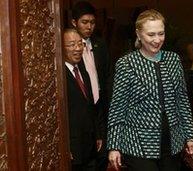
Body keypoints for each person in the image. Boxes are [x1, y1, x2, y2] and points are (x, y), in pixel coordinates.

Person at [107, 9, 193, 171]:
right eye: (151, 34)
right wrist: (114, 146)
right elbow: (117, 108)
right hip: (137, 145)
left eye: (161, 34)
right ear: (138, 34)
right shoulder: (126, 64)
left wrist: (189, 135)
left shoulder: (173, 60)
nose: (157, 40)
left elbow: (182, 101)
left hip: (172, 142)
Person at [71, 1, 112, 170]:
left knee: (103, 154)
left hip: (100, 106)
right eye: (84, 22)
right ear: (74, 22)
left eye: (92, 22)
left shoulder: (100, 44)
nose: (89, 27)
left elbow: (108, 75)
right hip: (81, 108)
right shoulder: (69, 47)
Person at [63, 28, 100, 171]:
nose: (78, 49)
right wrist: (65, 146)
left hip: (89, 145)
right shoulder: (58, 76)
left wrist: (97, 134)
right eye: (72, 45)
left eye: (80, 44)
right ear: (61, 47)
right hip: (73, 147)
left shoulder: (83, 71)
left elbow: (90, 105)